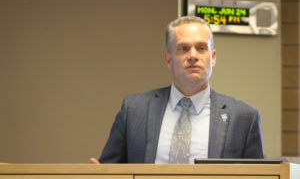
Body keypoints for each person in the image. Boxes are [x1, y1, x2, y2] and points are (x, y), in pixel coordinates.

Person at [90, 16, 264, 164]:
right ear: (168, 59)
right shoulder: (134, 110)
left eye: (201, 48)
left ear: (213, 57)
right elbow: (109, 169)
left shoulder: (244, 118)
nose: (193, 56)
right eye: (183, 48)